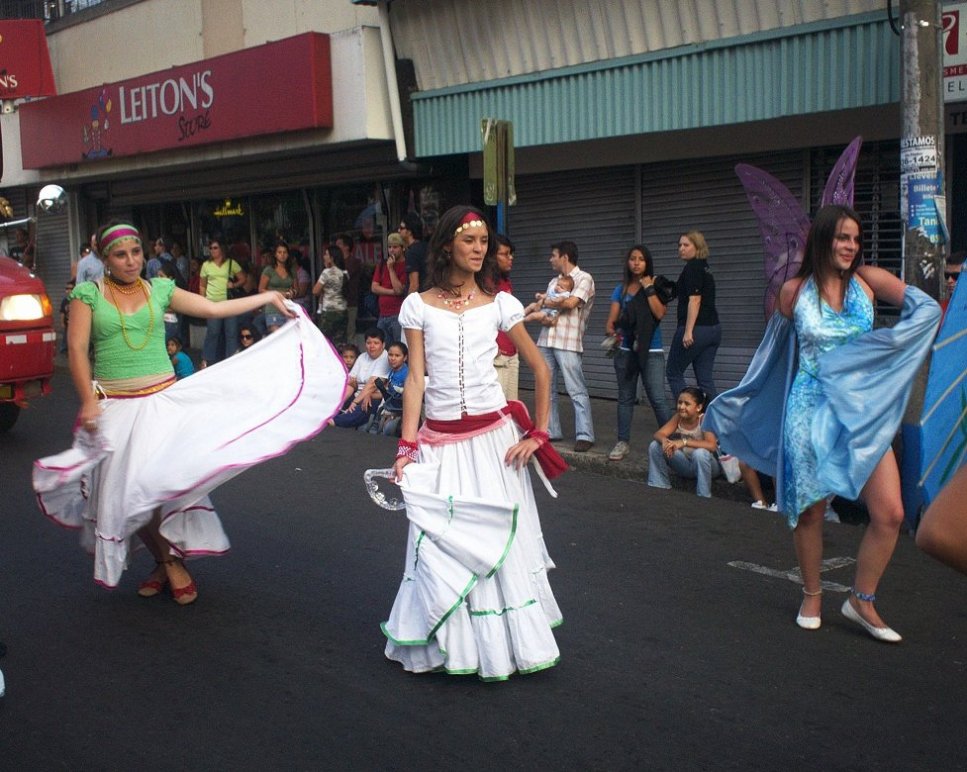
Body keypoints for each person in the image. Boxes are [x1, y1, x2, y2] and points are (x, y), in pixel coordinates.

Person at [32, 221, 347, 602]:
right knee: (129, 493)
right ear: (105, 259)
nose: (131, 261)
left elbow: (213, 308)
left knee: (157, 486)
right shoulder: (88, 294)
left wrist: (265, 298)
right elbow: (77, 350)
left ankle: (168, 563)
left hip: (163, 405)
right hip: (115, 406)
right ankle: (166, 561)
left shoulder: (160, 289)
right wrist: (87, 400)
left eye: (136, 252)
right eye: (120, 255)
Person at [704, 205, 941, 641]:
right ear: (823, 238)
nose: (851, 246)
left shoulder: (868, 282)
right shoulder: (793, 292)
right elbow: (773, 356)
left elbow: (926, 309)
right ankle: (811, 594)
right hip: (809, 410)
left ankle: (861, 601)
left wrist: (892, 351)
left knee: (890, 512)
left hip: (861, 413)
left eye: (856, 238)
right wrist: (745, 399)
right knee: (811, 510)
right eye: (842, 237)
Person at [384, 204, 565, 680]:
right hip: (439, 442)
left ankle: (501, 648)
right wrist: (406, 447)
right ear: (447, 245)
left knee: (496, 543)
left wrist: (539, 433)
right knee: (439, 543)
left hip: (493, 445)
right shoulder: (418, 305)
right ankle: (452, 647)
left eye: (484, 241)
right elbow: (416, 380)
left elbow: (541, 369)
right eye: (470, 240)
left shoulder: (501, 304)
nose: (479, 248)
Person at [604, 244, 673, 461]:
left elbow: (660, 313)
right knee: (625, 398)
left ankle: (671, 441)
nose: (636, 263)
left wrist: (649, 288)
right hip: (626, 351)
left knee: (658, 398)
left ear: (647, 263)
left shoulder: (656, 285)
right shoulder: (621, 289)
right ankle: (622, 442)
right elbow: (611, 322)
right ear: (628, 262)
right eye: (633, 258)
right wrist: (615, 331)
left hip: (652, 350)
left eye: (641, 259)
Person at [533, 240, 596, 452]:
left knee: (576, 389)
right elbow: (550, 309)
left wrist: (545, 301)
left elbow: (570, 303)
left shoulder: (584, 278)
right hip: (546, 339)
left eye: (553, 255)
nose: (551, 259)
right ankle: (551, 430)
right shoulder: (554, 281)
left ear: (565, 257)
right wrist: (546, 306)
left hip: (568, 342)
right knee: (547, 388)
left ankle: (585, 434)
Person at [666, 230, 721, 401]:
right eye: (679, 245)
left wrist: (688, 331)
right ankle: (713, 415)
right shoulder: (705, 267)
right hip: (713, 330)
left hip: (696, 329)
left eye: (686, 245)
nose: (681, 248)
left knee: (674, 372)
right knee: (705, 379)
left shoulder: (693, 267)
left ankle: (687, 412)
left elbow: (695, 300)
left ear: (697, 247)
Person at [647, 387, 720, 497]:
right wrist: (665, 441)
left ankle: (703, 496)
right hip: (686, 464)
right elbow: (659, 434)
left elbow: (712, 445)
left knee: (699, 453)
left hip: (708, 467)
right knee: (655, 446)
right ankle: (659, 485)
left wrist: (684, 442)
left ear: (699, 407)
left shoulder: (704, 419)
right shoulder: (678, 417)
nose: (681, 407)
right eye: (680, 402)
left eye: (687, 404)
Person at [329, 327, 390, 429]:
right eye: (369, 343)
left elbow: (372, 385)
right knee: (337, 398)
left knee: (365, 405)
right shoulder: (362, 357)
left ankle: (334, 421)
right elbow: (351, 382)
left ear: (383, 345)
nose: (372, 346)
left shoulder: (385, 358)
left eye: (376, 343)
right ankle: (329, 415)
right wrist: (339, 402)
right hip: (357, 393)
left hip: (373, 396)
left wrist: (355, 402)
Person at [198, 238, 246, 366]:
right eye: (211, 248)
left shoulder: (231, 263)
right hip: (212, 303)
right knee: (213, 332)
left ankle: (231, 361)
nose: (212, 250)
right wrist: (203, 302)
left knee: (231, 333)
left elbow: (243, 278)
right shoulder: (206, 265)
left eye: (215, 247)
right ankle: (206, 361)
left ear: (222, 249)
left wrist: (233, 285)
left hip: (229, 303)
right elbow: (202, 286)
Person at [493, 234, 520, 400]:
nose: (510, 258)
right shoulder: (484, 284)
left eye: (511, 254)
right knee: (499, 406)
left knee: (512, 406)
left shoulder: (506, 282)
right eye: (505, 254)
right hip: (498, 355)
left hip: (512, 352)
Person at [371, 232, 408, 344]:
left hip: (397, 315)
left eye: (395, 247)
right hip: (382, 314)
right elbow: (374, 287)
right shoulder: (382, 264)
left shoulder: (406, 265)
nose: (391, 250)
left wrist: (391, 269)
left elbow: (399, 290)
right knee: (382, 347)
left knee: (399, 347)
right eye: (389, 247)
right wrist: (392, 292)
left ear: (402, 248)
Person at [369, 340, 408, 436]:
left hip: (400, 409)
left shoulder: (406, 374)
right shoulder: (393, 371)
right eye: (390, 355)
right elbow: (389, 393)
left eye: (397, 356)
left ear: (405, 357)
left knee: (388, 429)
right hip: (389, 404)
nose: (393, 358)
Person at [259, 239, 298, 334]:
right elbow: (261, 290)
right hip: (273, 308)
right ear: (275, 254)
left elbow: (297, 289)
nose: (282, 255)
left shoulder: (291, 270)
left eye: (285, 252)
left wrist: (291, 293)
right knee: (277, 335)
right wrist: (279, 294)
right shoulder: (269, 270)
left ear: (288, 255)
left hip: (288, 307)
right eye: (279, 252)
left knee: (288, 337)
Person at [313, 245, 349, 342]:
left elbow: (315, 291)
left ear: (332, 258)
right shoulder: (344, 272)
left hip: (329, 312)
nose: (324, 256)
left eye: (326, 254)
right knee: (340, 341)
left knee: (325, 341)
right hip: (342, 310)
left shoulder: (327, 272)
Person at [335, 233, 361, 342]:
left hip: (350, 302)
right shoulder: (335, 263)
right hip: (336, 304)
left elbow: (342, 279)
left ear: (346, 247)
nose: (336, 247)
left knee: (350, 332)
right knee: (337, 333)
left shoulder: (354, 262)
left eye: (339, 244)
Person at [401, 212, 427, 295]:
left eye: (401, 228)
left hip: (419, 298)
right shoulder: (426, 247)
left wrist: (408, 301)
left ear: (409, 232)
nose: (399, 230)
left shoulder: (412, 253)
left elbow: (414, 285)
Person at [59, 280, 75, 354]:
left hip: (75, 324)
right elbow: (62, 312)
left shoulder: (76, 300)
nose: (68, 290)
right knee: (65, 337)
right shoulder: (65, 301)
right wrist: (62, 322)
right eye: (67, 288)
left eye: (70, 288)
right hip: (67, 324)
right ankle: (64, 349)